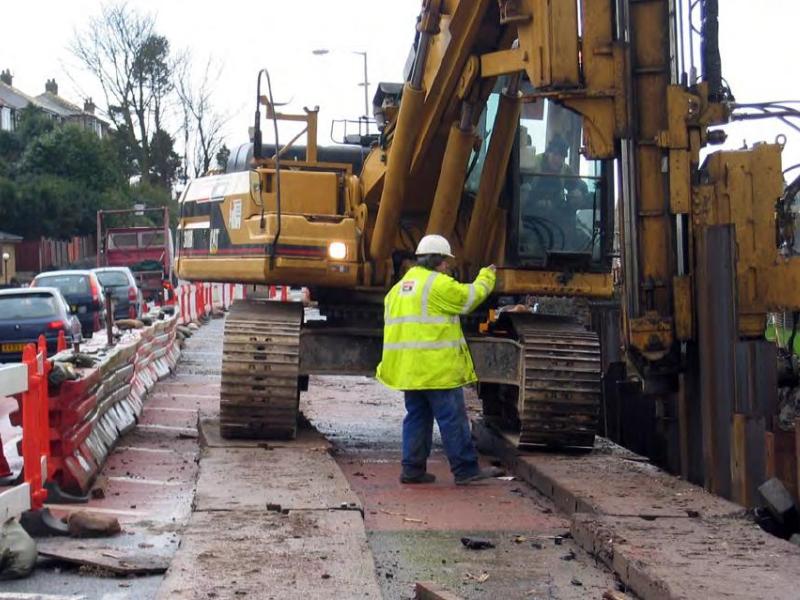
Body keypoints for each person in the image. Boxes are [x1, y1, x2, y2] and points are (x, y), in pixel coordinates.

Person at [376, 234, 502, 485]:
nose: (447, 267)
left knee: (417, 417)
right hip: (436, 369)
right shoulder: (437, 284)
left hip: (409, 370)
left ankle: (412, 470)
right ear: (436, 261)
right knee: (452, 418)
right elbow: (470, 298)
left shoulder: (398, 288)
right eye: (445, 262)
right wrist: (487, 276)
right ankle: (466, 470)